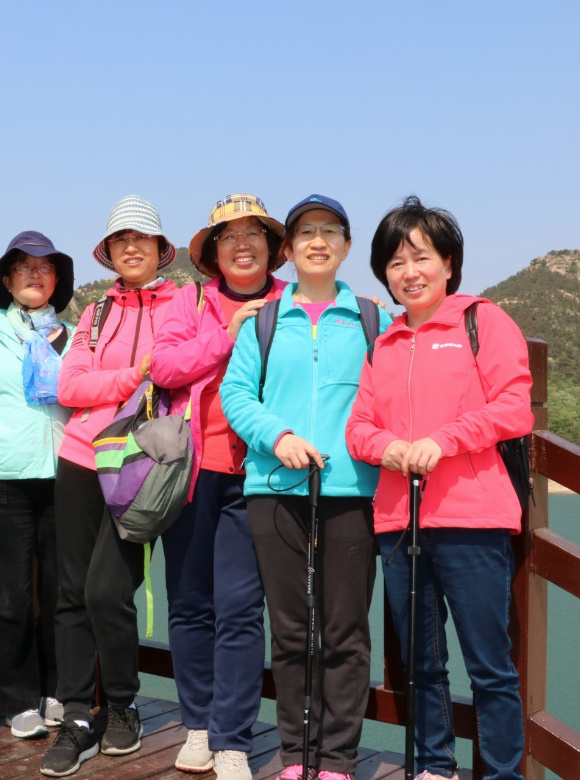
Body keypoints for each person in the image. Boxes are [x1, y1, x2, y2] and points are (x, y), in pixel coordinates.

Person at [347, 196, 532, 780]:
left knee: (490, 668)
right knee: (422, 665)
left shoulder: (483, 321)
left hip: (472, 520)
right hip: (399, 522)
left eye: (422, 257)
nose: (410, 272)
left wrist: (444, 440)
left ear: (448, 263)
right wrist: (386, 447)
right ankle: (435, 767)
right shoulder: (383, 343)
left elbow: (515, 407)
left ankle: (500, 775)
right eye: (395, 263)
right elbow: (358, 428)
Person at [220, 195, 392, 780]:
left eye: (330, 231)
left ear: (347, 246)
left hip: (353, 491)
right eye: (306, 233)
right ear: (288, 250)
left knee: (346, 630)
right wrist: (278, 436)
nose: (318, 241)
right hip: (275, 490)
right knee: (291, 630)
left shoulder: (373, 320)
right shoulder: (264, 322)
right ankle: (296, 754)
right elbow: (236, 394)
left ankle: (338, 758)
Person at [40, 195, 179, 777]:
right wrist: (132, 376)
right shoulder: (96, 313)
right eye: (121, 240)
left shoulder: (183, 304)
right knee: (71, 591)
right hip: (81, 457)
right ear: (109, 251)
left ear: (160, 249)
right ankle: (77, 714)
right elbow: (69, 387)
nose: (131, 248)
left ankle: (122, 702)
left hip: (142, 463)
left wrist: (131, 377)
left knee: (107, 590)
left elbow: (180, 374)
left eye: (141, 239)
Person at [150, 194, 288, 780]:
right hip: (193, 469)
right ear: (213, 251)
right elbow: (164, 367)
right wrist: (228, 335)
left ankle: (232, 736)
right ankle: (199, 725)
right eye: (228, 236)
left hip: (262, 474)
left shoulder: (293, 301)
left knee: (240, 608)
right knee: (189, 604)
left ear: (271, 246)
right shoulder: (192, 301)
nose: (242, 245)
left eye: (253, 233)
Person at [0, 231, 75, 739]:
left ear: (57, 279)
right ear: (6, 278)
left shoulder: (74, 337)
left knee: (62, 592)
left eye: (44, 267)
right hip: (2, 477)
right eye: (23, 266)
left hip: (64, 477)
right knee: (5, 595)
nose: (34, 274)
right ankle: (14, 699)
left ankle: (56, 690)